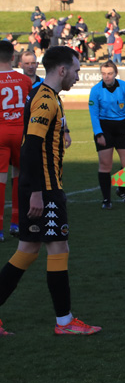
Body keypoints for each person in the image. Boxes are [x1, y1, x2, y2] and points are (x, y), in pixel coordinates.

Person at [0, 46, 101, 337]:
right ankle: (65, 322)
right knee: (58, 248)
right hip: (45, 188)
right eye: (76, 70)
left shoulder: (45, 94)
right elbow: (31, 146)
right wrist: (36, 192)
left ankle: (64, 321)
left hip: (40, 186)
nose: (78, 76)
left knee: (27, 251)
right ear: (62, 70)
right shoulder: (45, 99)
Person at [89, 62, 125, 209]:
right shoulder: (96, 90)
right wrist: (98, 133)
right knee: (105, 164)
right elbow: (94, 114)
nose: (107, 76)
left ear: (115, 73)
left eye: (110, 73)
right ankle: (106, 200)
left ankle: (122, 190)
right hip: (105, 128)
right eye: (104, 73)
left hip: (123, 127)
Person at [0, 41, 34, 242]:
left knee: (0, 180)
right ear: (13, 57)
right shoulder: (24, 80)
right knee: (20, 177)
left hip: (1, 132)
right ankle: (16, 222)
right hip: (21, 133)